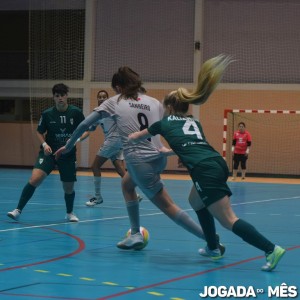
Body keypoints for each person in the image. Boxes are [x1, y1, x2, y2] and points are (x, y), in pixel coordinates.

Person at [128, 54, 286, 272]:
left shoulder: (163, 124)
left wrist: (124, 139)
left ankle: (271, 249)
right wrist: (168, 152)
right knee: (195, 200)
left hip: (204, 169)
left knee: (228, 219)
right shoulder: (194, 122)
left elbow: (135, 136)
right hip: (215, 162)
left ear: (170, 108)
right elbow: (190, 144)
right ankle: (212, 247)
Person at [54, 67, 224, 258]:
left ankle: (211, 240)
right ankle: (135, 233)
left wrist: (68, 146)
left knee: (168, 206)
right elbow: (169, 127)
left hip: (139, 161)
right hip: (158, 157)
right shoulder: (154, 102)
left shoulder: (114, 102)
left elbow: (85, 124)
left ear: (118, 87)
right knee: (127, 184)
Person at [7, 83, 89, 222]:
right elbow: (39, 131)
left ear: (67, 96)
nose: (60, 98)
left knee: (68, 187)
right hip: (48, 153)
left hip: (67, 155)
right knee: (35, 179)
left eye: (62, 95)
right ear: (54, 98)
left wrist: (77, 140)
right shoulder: (47, 114)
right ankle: (17, 210)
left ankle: (69, 213)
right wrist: (44, 144)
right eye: (57, 96)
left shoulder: (75, 112)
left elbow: (87, 130)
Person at [85, 89, 142, 206]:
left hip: (114, 140)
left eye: (104, 97)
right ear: (97, 99)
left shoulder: (111, 109)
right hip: (117, 142)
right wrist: (83, 132)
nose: (101, 98)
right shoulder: (98, 113)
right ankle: (135, 195)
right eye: (99, 97)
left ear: (107, 98)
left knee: (95, 166)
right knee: (120, 169)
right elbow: (91, 128)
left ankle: (98, 197)